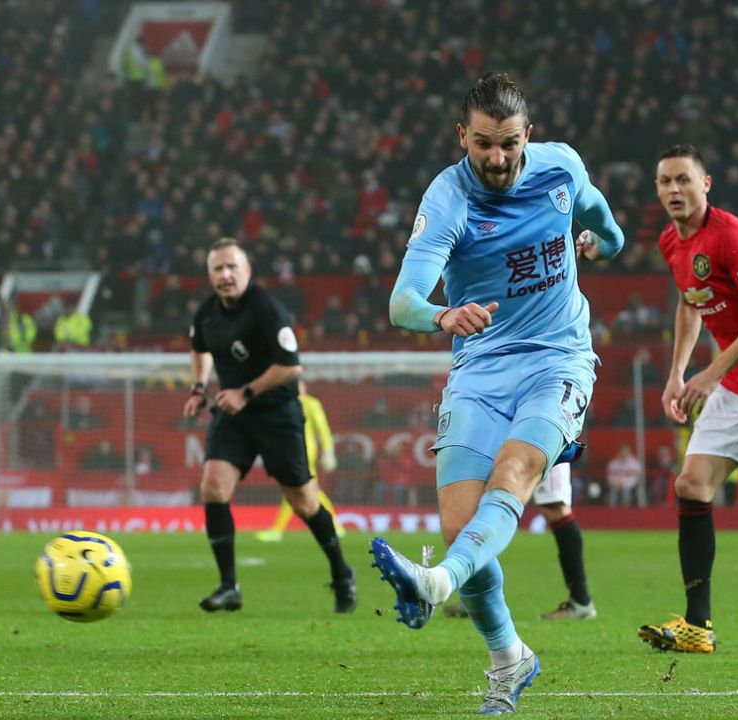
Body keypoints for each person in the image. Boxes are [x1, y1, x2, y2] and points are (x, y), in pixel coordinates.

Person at [370, 73, 624, 714]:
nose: (496, 158)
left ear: (527, 136)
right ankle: (509, 657)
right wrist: (442, 316)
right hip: (480, 367)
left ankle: (436, 581)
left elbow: (605, 224)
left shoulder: (560, 169)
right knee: (459, 524)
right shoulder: (449, 199)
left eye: (508, 143)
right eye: (482, 143)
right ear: (463, 136)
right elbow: (402, 301)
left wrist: (605, 244)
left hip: (558, 358)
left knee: (515, 471)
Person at [638, 145, 738, 654]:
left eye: (683, 180)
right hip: (736, 385)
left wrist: (710, 373)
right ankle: (697, 625)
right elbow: (692, 304)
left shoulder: (733, 237)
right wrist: (677, 373)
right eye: (665, 181)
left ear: (705, 183)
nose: (673, 190)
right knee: (691, 485)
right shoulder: (672, 241)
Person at [183, 238, 357, 614]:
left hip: (277, 414)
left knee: (303, 501)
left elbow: (290, 365)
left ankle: (342, 574)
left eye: (232, 267)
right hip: (233, 415)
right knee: (213, 486)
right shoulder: (207, 314)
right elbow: (200, 348)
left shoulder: (267, 308)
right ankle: (229, 586)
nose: (225, 275)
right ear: (210, 275)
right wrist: (199, 388)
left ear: (247, 271)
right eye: (218, 268)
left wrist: (246, 391)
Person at [442, 461, 598, 622]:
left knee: (555, 509)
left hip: (545, 440)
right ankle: (478, 599)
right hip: (507, 442)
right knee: (486, 502)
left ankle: (581, 601)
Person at [256, 378, 344, 542]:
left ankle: (277, 530)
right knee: (308, 490)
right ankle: (335, 525)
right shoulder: (283, 404)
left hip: (305, 453)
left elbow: (322, 429)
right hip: (289, 451)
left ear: (304, 387)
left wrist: (328, 451)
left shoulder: (311, 404)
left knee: (296, 489)